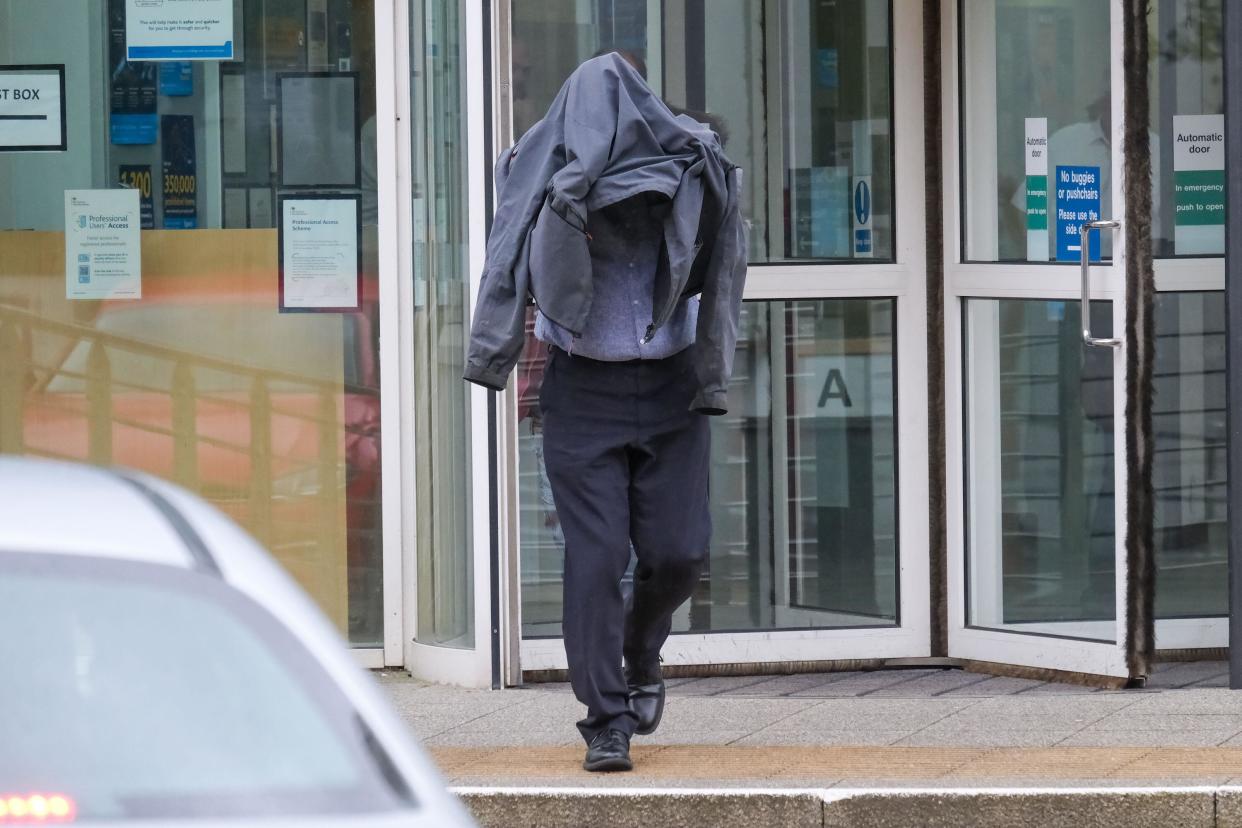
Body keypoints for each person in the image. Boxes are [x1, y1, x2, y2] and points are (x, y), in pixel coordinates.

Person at [463, 53, 747, 772]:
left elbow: (726, 261)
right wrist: (492, 353)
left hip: (671, 387)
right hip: (582, 389)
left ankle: (641, 653)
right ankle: (606, 718)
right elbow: (504, 257)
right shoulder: (536, 161)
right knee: (595, 560)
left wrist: (716, 361)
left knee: (679, 554)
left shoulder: (690, 156)